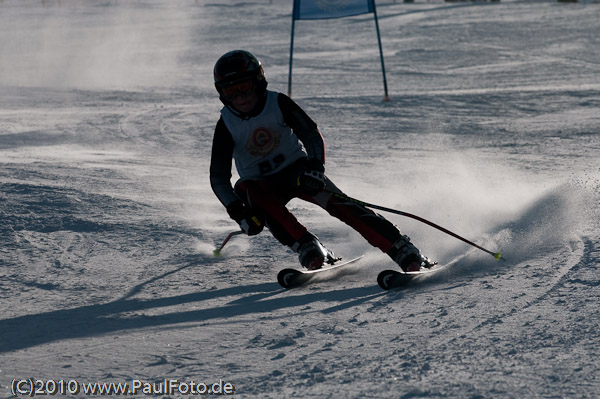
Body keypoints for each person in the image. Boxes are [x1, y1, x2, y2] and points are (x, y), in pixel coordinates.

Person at [209, 50, 433, 272]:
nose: (240, 97)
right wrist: (238, 212)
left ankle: (401, 248)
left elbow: (310, 134)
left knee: (342, 205)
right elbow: (219, 177)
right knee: (248, 190)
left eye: (244, 87)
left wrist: (315, 168)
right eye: (231, 91)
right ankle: (307, 247)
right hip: (261, 184)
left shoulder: (277, 103)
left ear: (258, 82)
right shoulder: (227, 124)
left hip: (298, 173)